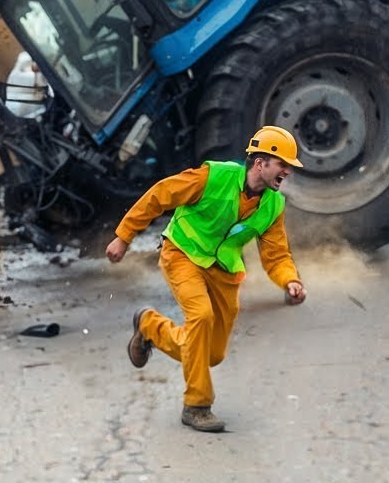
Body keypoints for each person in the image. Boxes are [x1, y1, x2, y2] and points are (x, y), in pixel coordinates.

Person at [104, 125, 308, 433]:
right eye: (283, 165)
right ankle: (197, 405)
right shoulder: (213, 177)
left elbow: (276, 255)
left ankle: (150, 327)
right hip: (183, 253)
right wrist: (124, 236)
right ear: (261, 162)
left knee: (210, 354)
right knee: (200, 315)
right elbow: (160, 195)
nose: (287, 172)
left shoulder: (273, 205)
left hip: (223, 271)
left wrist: (290, 280)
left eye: (290, 168)